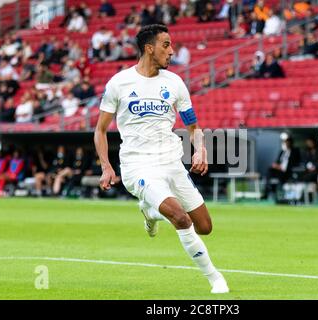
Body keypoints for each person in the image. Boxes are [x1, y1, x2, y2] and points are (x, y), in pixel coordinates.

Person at [94, 24, 229, 294]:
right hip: (137, 165)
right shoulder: (120, 83)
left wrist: (200, 148)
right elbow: (100, 130)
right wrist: (106, 166)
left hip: (171, 162)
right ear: (149, 48)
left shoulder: (174, 83)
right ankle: (215, 279)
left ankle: (151, 212)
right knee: (180, 217)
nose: (172, 50)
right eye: (166, 45)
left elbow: (193, 126)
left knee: (204, 227)